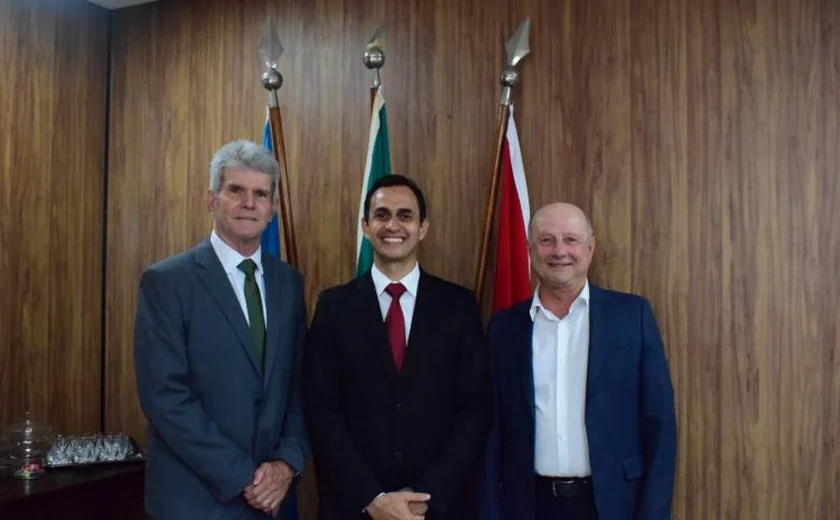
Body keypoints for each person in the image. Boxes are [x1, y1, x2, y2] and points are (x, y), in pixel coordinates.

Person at [134, 140, 309, 519]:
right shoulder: (167, 282)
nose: (249, 203)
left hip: (273, 500)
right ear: (211, 199)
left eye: (260, 194)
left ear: (273, 209)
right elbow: (165, 397)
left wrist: (285, 464)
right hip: (195, 502)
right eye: (236, 190)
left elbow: (299, 383)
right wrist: (245, 477)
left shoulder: (289, 284)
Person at [303, 175, 491, 520]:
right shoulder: (334, 307)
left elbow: (475, 408)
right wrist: (372, 497)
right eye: (382, 215)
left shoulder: (458, 306)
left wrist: (426, 494)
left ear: (423, 228)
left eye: (405, 215)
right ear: (366, 226)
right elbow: (321, 409)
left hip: (437, 508)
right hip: (354, 507)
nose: (393, 225)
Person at [479, 202, 677, 520]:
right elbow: (491, 432)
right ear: (530, 250)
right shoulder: (504, 328)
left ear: (590, 247)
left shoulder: (632, 316)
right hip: (528, 505)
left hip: (614, 505)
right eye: (547, 240)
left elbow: (660, 425)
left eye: (570, 239)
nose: (560, 251)